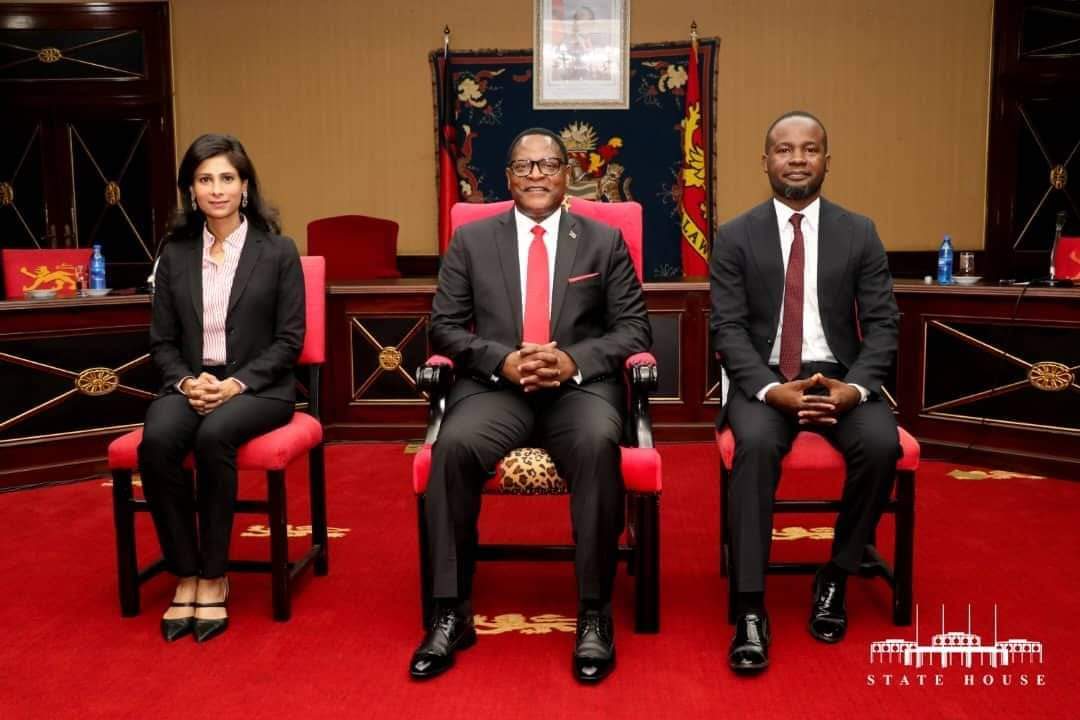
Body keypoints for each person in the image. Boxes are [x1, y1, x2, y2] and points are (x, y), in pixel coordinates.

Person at [410, 127, 651, 683]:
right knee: (452, 447)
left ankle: (594, 611)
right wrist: (502, 360)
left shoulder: (603, 241)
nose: (536, 175)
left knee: (598, 445)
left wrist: (570, 361)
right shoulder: (471, 241)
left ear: (568, 174)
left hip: (579, 390)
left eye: (548, 165)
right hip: (497, 388)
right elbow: (444, 327)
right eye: (524, 166)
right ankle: (451, 612)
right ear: (508, 177)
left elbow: (634, 328)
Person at [710, 111, 901, 673]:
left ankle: (837, 574)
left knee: (882, 446)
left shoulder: (859, 231)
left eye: (809, 149)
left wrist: (856, 388)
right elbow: (727, 329)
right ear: (765, 161)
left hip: (840, 374)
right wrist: (771, 390)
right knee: (755, 447)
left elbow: (883, 324)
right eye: (784, 149)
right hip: (766, 378)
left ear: (826, 161)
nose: (797, 159)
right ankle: (750, 606)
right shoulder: (735, 235)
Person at [139, 133, 305, 643]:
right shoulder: (175, 254)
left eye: (227, 178)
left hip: (261, 387)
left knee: (215, 437)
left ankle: (214, 575)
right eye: (205, 179)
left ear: (245, 186)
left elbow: (289, 340)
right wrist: (188, 381)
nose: (217, 189)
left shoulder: (277, 251)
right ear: (191, 190)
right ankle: (185, 571)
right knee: (157, 440)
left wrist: (235, 384)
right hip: (190, 384)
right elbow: (162, 342)